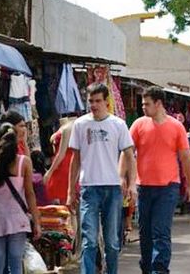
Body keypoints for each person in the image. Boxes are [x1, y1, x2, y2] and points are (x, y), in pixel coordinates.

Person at [66, 83, 137, 274]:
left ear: (107, 102)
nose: (94, 105)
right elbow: (75, 159)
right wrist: (70, 191)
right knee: (89, 241)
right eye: (91, 101)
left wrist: (132, 184)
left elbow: (129, 155)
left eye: (98, 101)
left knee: (112, 242)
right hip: (89, 189)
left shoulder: (118, 125)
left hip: (113, 189)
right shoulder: (80, 125)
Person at [129, 86, 190, 274]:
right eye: (143, 104)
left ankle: (160, 270)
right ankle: (147, 268)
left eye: (147, 104)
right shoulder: (138, 125)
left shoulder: (176, 126)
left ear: (158, 104)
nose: (143, 107)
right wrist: (125, 179)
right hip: (143, 187)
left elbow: (186, 157)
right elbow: (127, 153)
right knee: (145, 233)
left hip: (168, 187)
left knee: (161, 232)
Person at [0, 123, 41, 274]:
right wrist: (37, 222)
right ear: (15, 141)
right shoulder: (23, 162)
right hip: (17, 220)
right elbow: (30, 194)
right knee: (15, 265)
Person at [44, 117, 77, 205]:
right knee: (67, 199)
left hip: (64, 164)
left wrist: (49, 172)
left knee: (66, 199)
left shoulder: (68, 128)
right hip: (64, 164)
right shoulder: (66, 127)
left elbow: (60, 154)